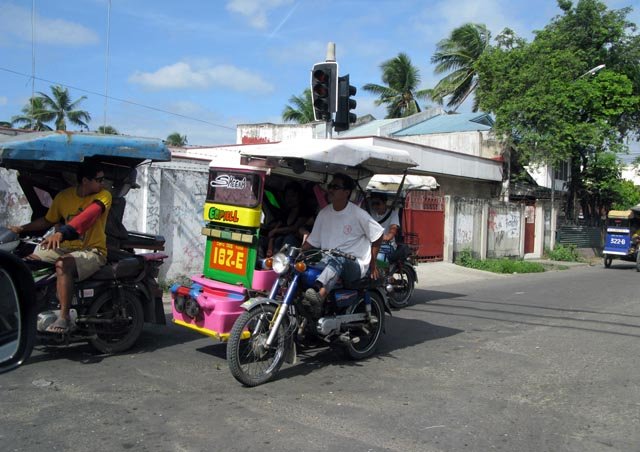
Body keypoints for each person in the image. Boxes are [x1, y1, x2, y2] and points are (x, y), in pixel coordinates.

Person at [9, 161, 112, 333]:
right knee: (27, 263)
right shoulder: (64, 197)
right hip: (65, 247)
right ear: (85, 180)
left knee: (63, 264)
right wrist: (22, 228)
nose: (103, 183)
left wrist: (61, 233)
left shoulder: (103, 196)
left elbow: (88, 216)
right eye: (99, 179)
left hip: (92, 251)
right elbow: (48, 220)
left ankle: (64, 317)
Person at [302, 173, 384, 316]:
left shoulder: (358, 214)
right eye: (330, 186)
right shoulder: (324, 213)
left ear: (346, 193)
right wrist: (295, 253)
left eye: (335, 187)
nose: (331, 190)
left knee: (338, 258)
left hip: (354, 265)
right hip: (327, 262)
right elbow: (312, 241)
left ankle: (319, 295)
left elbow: (378, 235)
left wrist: (373, 263)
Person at [264, 181, 312, 257]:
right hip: (280, 240)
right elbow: (277, 227)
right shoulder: (287, 212)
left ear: (299, 196)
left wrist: (276, 230)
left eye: (292, 196)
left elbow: (295, 228)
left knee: (288, 239)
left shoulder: (304, 211)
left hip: (295, 242)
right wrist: (272, 234)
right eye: (287, 196)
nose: (289, 199)